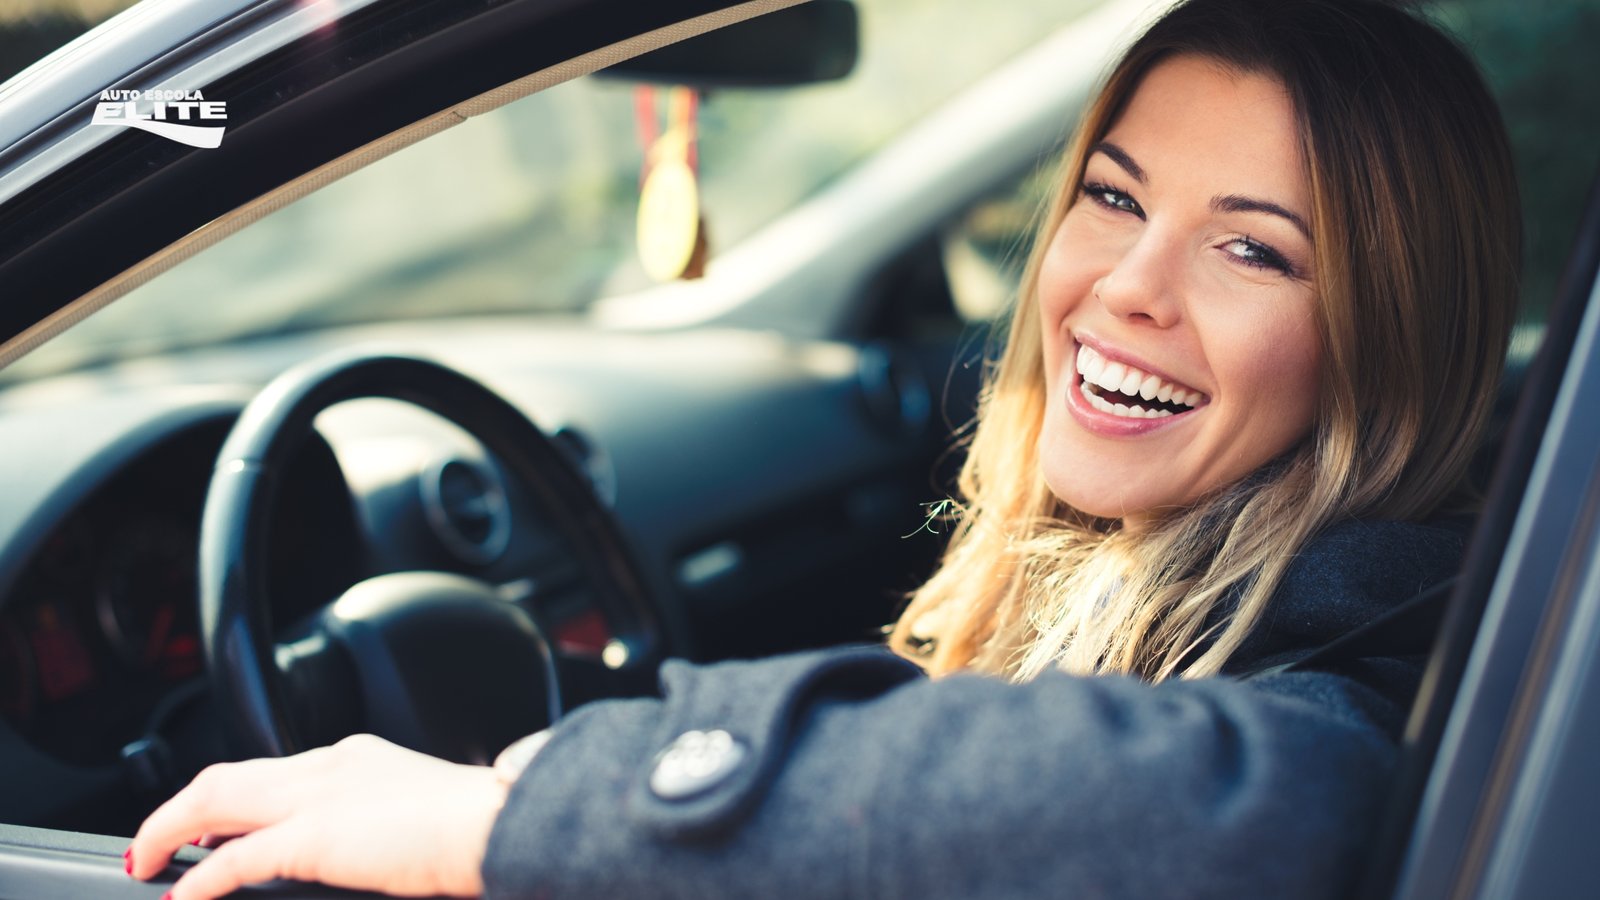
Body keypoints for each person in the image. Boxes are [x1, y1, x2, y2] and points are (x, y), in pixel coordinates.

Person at [124, 0, 1521, 896]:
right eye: (1111, 194)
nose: (1129, 288)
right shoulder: (1161, 574)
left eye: (1250, 248)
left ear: (1387, 334)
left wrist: (507, 820)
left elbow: (1272, 812)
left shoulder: (1403, 655)